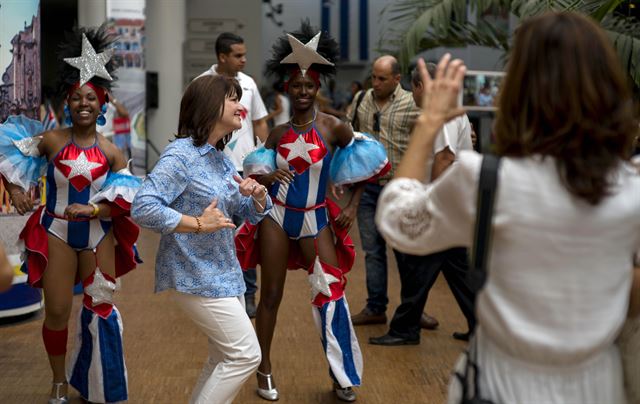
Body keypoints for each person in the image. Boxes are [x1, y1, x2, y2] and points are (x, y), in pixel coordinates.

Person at [375, 12, 640, 403]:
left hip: (503, 384)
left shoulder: (485, 180)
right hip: (595, 383)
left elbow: (397, 221)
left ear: (516, 90)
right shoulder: (632, 187)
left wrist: (430, 121)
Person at [236, 22, 389, 402]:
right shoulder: (276, 133)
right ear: (287, 88)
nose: (303, 92)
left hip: (315, 217)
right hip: (277, 216)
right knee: (270, 296)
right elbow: (257, 180)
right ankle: (264, 369)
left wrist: (352, 206)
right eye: (296, 86)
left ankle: (341, 375)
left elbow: (367, 166)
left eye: (309, 86)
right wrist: (270, 175)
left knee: (330, 292)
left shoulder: (335, 128)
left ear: (317, 88)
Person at [0, 25, 141, 403]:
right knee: (58, 312)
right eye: (76, 97)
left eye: (91, 98)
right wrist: (15, 190)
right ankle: (59, 380)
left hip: (98, 237)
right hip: (57, 235)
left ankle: (99, 383)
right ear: (67, 101)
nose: (83, 104)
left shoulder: (113, 152)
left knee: (101, 308)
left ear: (103, 102)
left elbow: (125, 200)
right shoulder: (49, 141)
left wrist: (94, 207)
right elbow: (4, 152)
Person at [131, 75, 271, 404]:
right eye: (233, 99)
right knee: (245, 355)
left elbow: (245, 212)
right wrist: (195, 223)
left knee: (224, 357)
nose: (242, 106)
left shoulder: (219, 159)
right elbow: (143, 206)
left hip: (224, 274)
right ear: (210, 106)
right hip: (194, 274)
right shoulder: (181, 155)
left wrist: (258, 195)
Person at [369, 63, 475, 346]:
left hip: (443, 205)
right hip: (453, 204)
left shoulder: (443, 116)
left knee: (418, 267)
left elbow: (444, 158)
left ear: (419, 86)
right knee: (459, 271)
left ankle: (405, 329)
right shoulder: (452, 114)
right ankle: (481, 326)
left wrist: (430, 203)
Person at [346, 55, 439, 331]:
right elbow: (349, 135)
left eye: (382, 78)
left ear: (397, 79)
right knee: (373, 251)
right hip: (368, 188)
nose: (375, 83)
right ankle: (376, 307)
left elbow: (435, 130)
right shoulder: (362, 100)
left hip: (401, 189)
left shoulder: (413, 102)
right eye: (373, 77)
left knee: (406, 252)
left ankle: (413, 309)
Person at [198, 32, 269, 318]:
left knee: (246, 234)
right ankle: (216, 291)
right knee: (216, 231)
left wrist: (264, 160)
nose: (244, 60)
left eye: (244, 54)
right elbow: (194, 125)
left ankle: (248, 294)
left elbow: (260, 121)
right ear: (222, 57)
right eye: (238, 55)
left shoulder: (249, 84)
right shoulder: (203, 84)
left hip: (245, 170)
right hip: (213, 171)